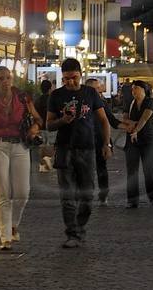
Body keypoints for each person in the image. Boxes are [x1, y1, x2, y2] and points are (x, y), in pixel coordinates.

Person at [44, 58, 111, 248]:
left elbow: (103, 120)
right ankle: (72, 233)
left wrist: (106, 144)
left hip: (88, 149)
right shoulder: (56, 95)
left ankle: (80, 227)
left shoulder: (90, 93)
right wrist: (62, 121)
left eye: (74, 78)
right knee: (67, 196)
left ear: (81, 75)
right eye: (66, 79)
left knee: (88, 195)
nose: (70, 82)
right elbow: (48, 125)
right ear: (62, 78)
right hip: (65, 149)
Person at [0, 65, 42, 250]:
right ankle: (5, 237)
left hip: (20, 145)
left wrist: (35, 127)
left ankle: (13, 224)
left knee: (22, 192)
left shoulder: (22, 97)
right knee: (2, 192)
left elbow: (38, 118)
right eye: (1, 78)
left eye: (8, 78)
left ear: (12, 79)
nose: (5, 81)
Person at [118, 78, 153, 207]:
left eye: (135, 88)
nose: (133, 91)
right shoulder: (130, 102)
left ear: (143, 89)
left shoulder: (150, 101)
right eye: (132, 89)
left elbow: (145, 118)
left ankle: (152, 197)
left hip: (148, 140)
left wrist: (136, 130)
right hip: (131, 142)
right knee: (132, 171)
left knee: (149, 170)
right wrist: (130, 123)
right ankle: (132, 200)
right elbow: (124, 117)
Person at [87, 77, 112, 204]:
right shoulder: (83, 102)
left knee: (101, 167)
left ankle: (103, 194)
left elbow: (109, 119)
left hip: (100, 138)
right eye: (97, 88)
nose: (99, 90)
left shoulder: (102, 102)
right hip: (85, 140)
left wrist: (107, 143)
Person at [34, 77, 56, 173]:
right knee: (51, 143)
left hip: (40, 126)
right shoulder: (52, 99)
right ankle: (48, 158)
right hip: (50, 125)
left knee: (42, 145)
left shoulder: (38, 100)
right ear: (50, 88)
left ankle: (42, 165)